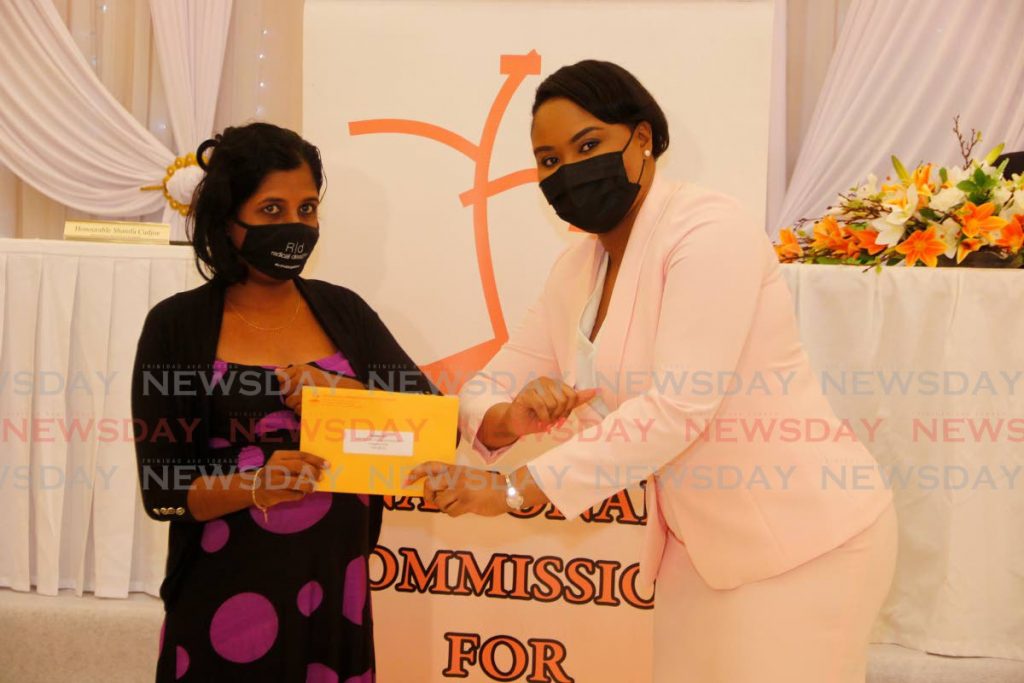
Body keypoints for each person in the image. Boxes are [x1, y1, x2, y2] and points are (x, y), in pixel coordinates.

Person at [407, 60, 898, 682]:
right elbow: (488, 387)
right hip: (697, 553)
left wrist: (509, 490)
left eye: (588, 146)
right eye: (550, 161)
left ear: (641, 139)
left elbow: (678, 408)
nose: (568, 172)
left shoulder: (707, 229)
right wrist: (508, 417)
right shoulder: (575, 271)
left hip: (804, 541)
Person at [132, 122, 439, 681]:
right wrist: (254, 484)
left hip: (334, 600)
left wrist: (345, 394)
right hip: (222, 600)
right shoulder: (176, 326)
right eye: (272, 210)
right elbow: (162, 493)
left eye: (307, 209)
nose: (295, 227)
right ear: (228, 220)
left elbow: (431, 432)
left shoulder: (344, 312)